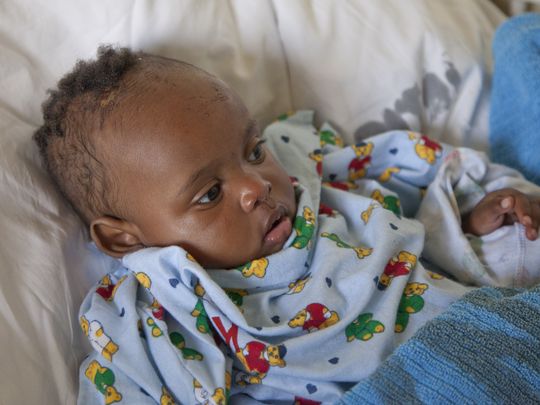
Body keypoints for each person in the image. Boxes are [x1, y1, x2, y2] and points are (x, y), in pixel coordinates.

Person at [34, 46, 540, 404]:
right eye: (210, 194)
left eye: (253, 151)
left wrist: (471, 220)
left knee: (521, 44)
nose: (256, 187)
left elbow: (407, 182)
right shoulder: (163, 313)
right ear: (124, 238)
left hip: (489, 332)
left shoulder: (309, 173)